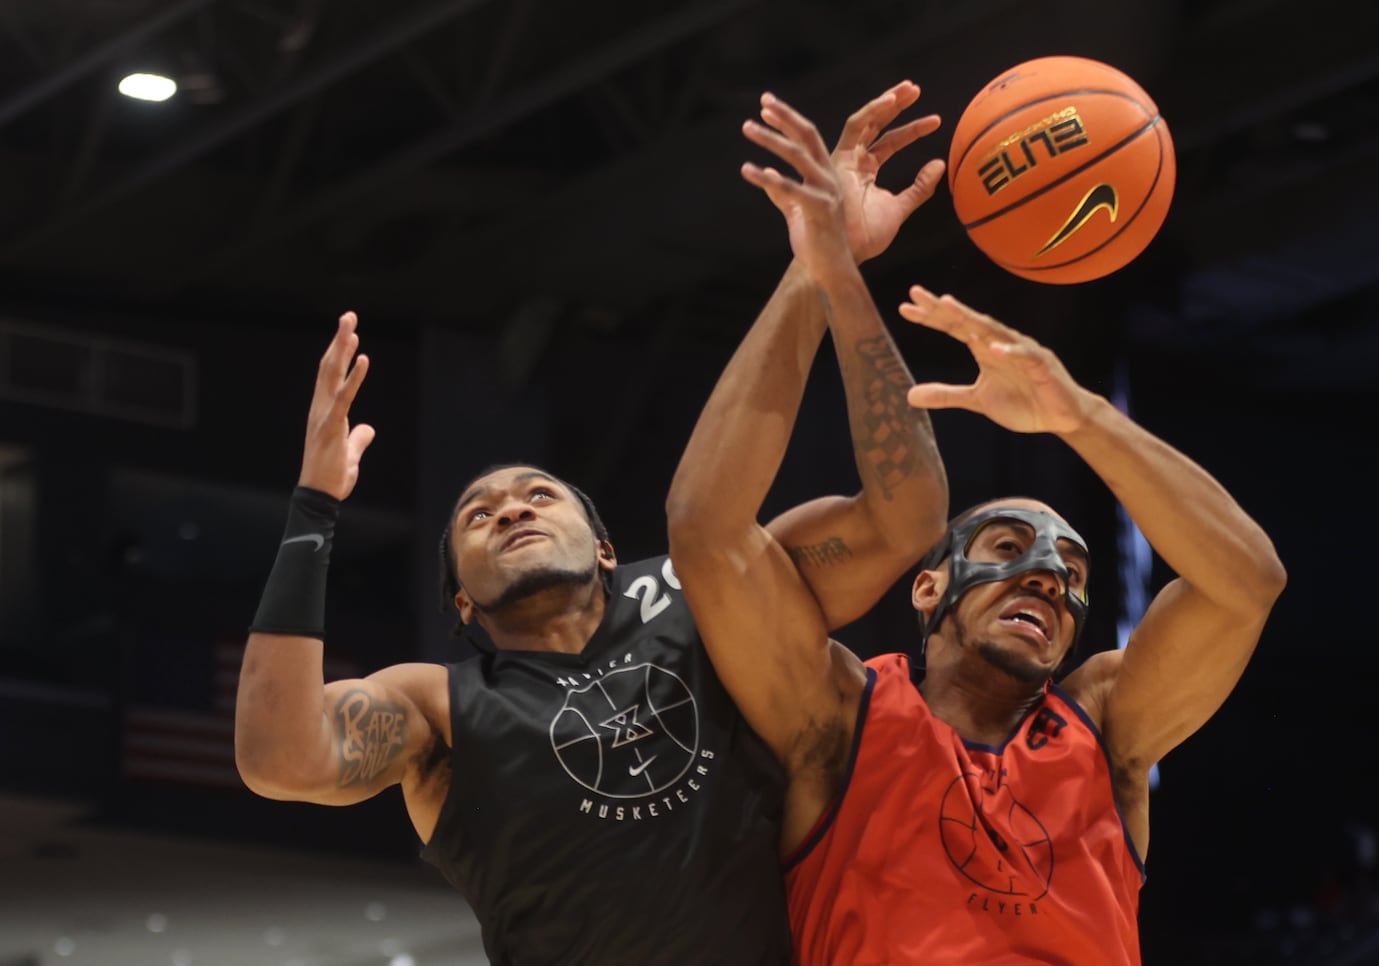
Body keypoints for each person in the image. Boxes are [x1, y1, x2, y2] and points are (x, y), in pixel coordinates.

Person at [232, 83, 950, 964]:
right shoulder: (442, 706)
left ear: (605, 548)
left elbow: (903, 517)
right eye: (479, 514)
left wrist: (830, 270)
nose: (511, 509)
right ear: (461, 602)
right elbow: (278, 757)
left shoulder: (707, 593)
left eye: (539, 494)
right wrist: (313, 506)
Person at [667, 91, 1287, 965]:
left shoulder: (1105, 729)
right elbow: (707, 534)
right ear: (929, 587)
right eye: (1009, 548)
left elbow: (1247, 583)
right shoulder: (842, 721)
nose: (1049, 575)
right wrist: (820, 268)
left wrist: (1082, 418)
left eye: (1072, 569)